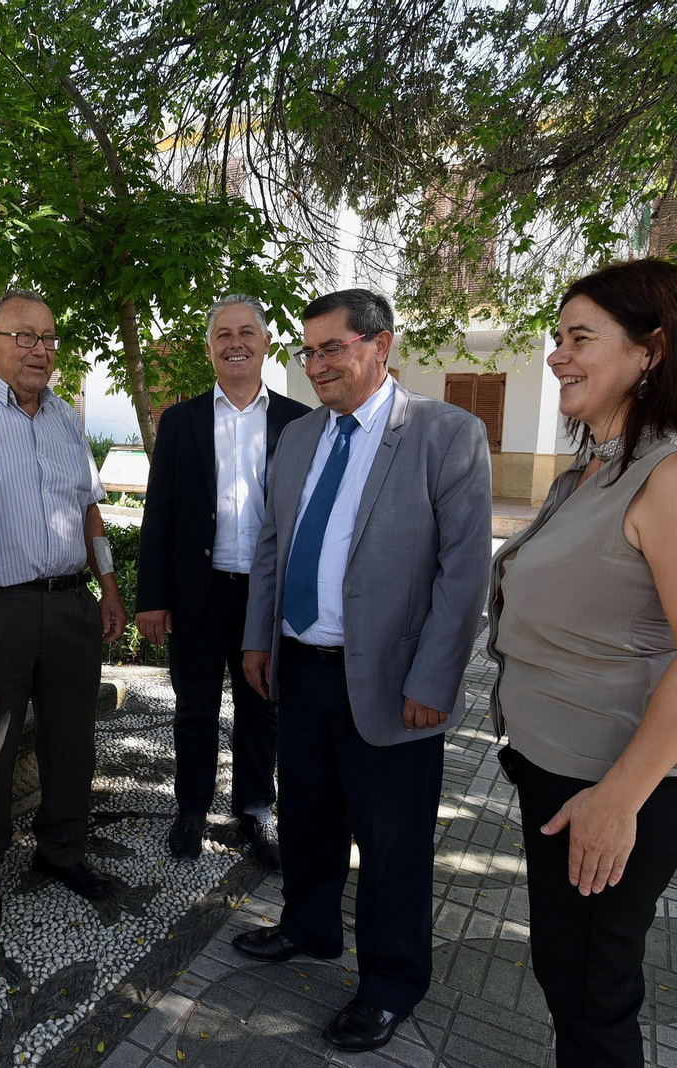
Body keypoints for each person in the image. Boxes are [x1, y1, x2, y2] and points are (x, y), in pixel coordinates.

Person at [487, 259, 677, 1068]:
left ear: (652, 350)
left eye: (580, 338)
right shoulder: (594, 468)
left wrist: (617, 801)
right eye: (557, 338)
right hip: (559, 771)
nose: (558, 356)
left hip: (618, 786)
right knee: (569, 977)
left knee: (592, 995)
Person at [236, 288, 492, 1053]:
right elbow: (272, 546)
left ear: (380, 347)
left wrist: (434, 681)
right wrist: (259, 638)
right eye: (307, 352)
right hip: (303, 670)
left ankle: (390, 982)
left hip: (392, 680)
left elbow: (463, 572)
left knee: (393, 842)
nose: (315, 366)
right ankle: (309, 929)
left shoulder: (448, 435)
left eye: (332, 349)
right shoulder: (299, 438)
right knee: (308, 818)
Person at [0, 289, 127, 932]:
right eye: (23, 336)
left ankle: (62, 851)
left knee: (72, 741)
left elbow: (89, 510)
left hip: (70, 604)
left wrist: (108, 582)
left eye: (48, 337)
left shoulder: (66, 420)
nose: (39, 349)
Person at [135, 295, 308, 869]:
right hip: (198, 594)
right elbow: (158, 515)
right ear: (209, 348)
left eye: (247, 332)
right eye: (223, 335)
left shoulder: (298, 422)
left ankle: (255, 811)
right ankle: (190, 810)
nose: (235, 343)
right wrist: (151, 599)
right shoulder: (180, 422)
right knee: (195, 709)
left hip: (267, 598)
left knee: (263, 707)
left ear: (265, 342)